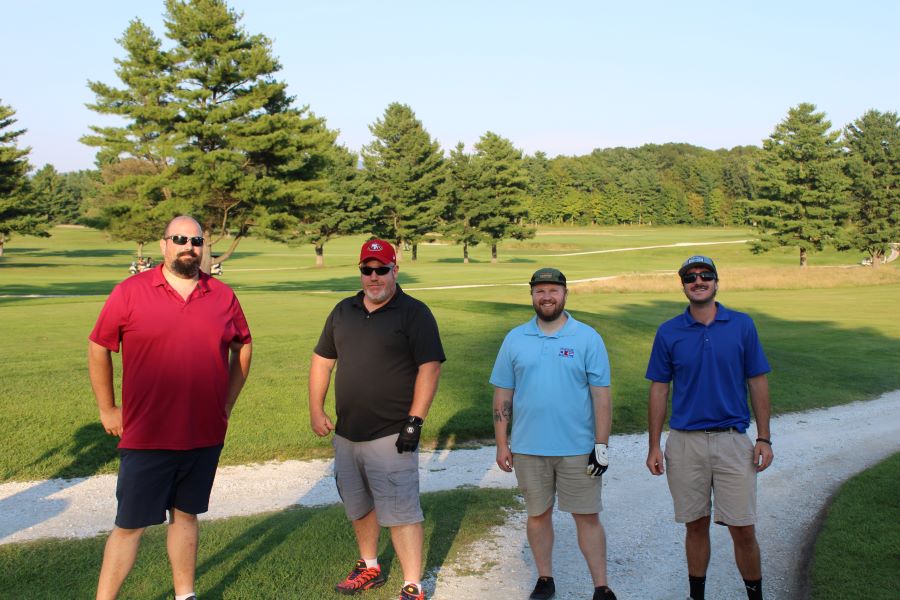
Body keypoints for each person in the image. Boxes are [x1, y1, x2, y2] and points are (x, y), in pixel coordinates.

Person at [88, 215, 252, 600]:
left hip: (202, 432)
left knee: (186, 515)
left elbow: (243, 344)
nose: (188, 247)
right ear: (164, 245)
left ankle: (184, 594)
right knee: (129, 524)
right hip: (147, 434)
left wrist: (226, 402)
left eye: (195, 241)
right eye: (179, 239)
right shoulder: (130, 291)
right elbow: (99, 346)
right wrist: (108, 408)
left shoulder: (222, 295)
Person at [308, 239, 445, 600]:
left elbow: (429, 368)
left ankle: (412, 584)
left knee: (400, 510)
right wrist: (315, 408)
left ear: (395, 270)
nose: (374, 277)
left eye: (381, 269)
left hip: (392, 433)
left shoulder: (413, 313)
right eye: (367, 270)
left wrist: (415, 420)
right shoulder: (343, 310)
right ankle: (369, 566)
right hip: (347, 433)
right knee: (359, 505)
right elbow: (323, 360)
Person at [645, 255, 774, 600]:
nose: (698, 281)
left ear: (717, 282)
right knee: (695, 524)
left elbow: (757, 381)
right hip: (685, 443)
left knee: (742, 527)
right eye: (690, 277)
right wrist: (654, 445)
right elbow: (659, 387)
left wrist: (763, 437)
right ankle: (696, 595)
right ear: (683, 285)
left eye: (706, 275)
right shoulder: (669, 331)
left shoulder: (742, 325)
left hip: (733, 442)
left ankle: (755, 595)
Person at [491, 268, 617, 600]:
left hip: (577, 448)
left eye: (553, 290)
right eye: (540, 291)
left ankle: (601, 586)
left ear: (565, 293)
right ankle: (545, 578)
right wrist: (503, 443)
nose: (547, 297)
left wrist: (601, 445)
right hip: (530, 448)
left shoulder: (587, 337)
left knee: (587, 516)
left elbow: (601, 396)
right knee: (537, 514)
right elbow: (503, 394)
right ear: (532, 295)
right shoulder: (515, 338)